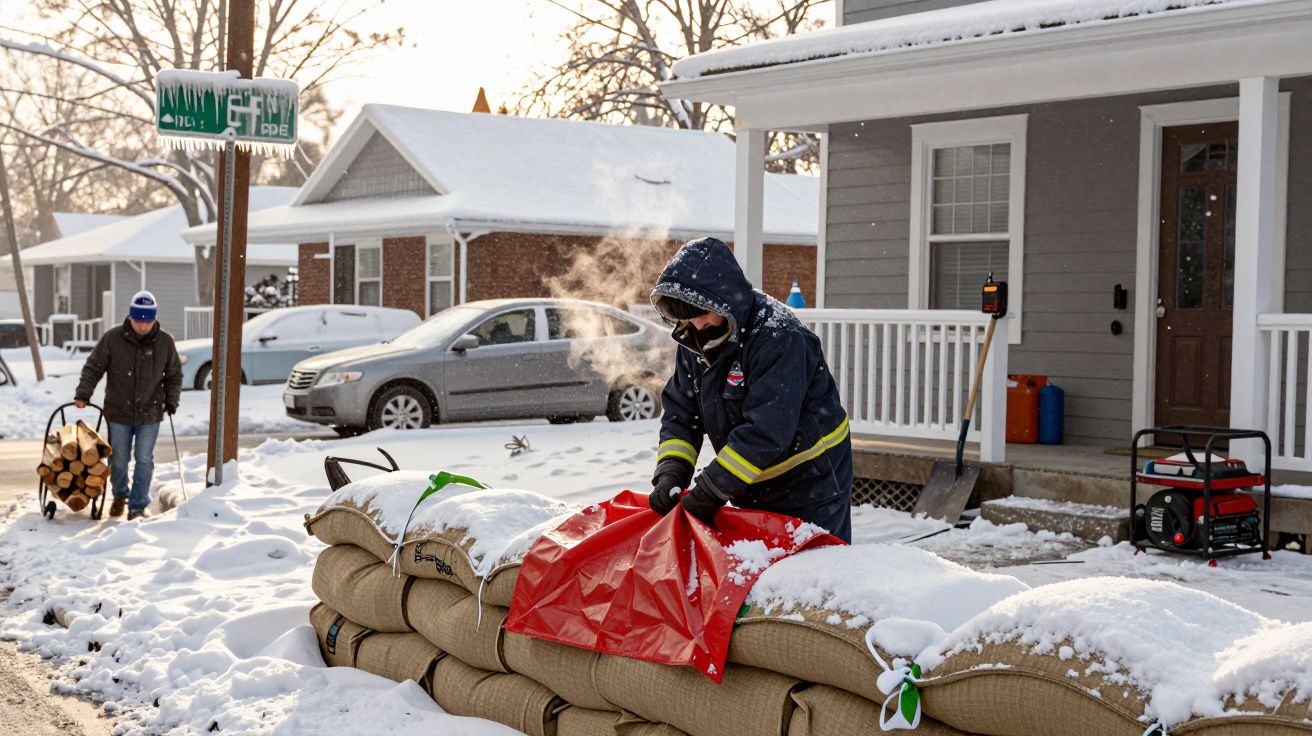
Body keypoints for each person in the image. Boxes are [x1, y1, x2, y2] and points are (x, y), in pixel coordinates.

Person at [646, 237, 854, 542]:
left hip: (811, 483)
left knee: (814, 578)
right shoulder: (695, 338)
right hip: (749, 483)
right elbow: (681, 413)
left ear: (724, 300)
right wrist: (671, 471)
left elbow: (766, 431)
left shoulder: (779, 337)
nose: (697, 324)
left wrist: (711, 488)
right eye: (687, 315)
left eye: (702, 312)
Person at [74, 291, 182, 520]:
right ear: (130, 317)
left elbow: (173, 374)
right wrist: (84, 393)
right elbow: (94, 367)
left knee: (144, 458)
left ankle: (137, 506)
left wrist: (171, 401)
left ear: (154, 319)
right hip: (118, 411)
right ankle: (120, 495)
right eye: (138, 321)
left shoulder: (164, 342)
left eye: (147, 321)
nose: (142, 327)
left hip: (150, 412)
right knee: (119, 459)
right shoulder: (113, 339)